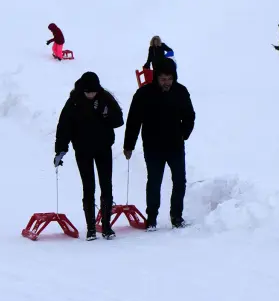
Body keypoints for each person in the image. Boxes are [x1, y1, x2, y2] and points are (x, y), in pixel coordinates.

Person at [124, 57, 195, 230]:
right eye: (163, 79)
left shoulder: (181, 92)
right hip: (153, 146)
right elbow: (133, 120)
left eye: (170, 79)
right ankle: (152, 218)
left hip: (175, 145)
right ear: (156, 77)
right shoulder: (144, 94)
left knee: (179, 181)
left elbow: (189, 115)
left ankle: (176, 216)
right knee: (154, 181)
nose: (167, 82)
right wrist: (129, 145)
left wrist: (183, 134)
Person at [55, 72, 124, 240]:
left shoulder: (105, 99)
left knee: (106, 185)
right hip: (83, 150)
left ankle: (106, 226)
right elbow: (64, 127)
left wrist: (107, 115)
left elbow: (119, 121)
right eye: (88, 92)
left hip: (103, 148)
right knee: (88, 186)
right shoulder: (74, 102)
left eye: (93, 92)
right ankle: (91, 228)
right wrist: (60, 150)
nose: (91, 95)